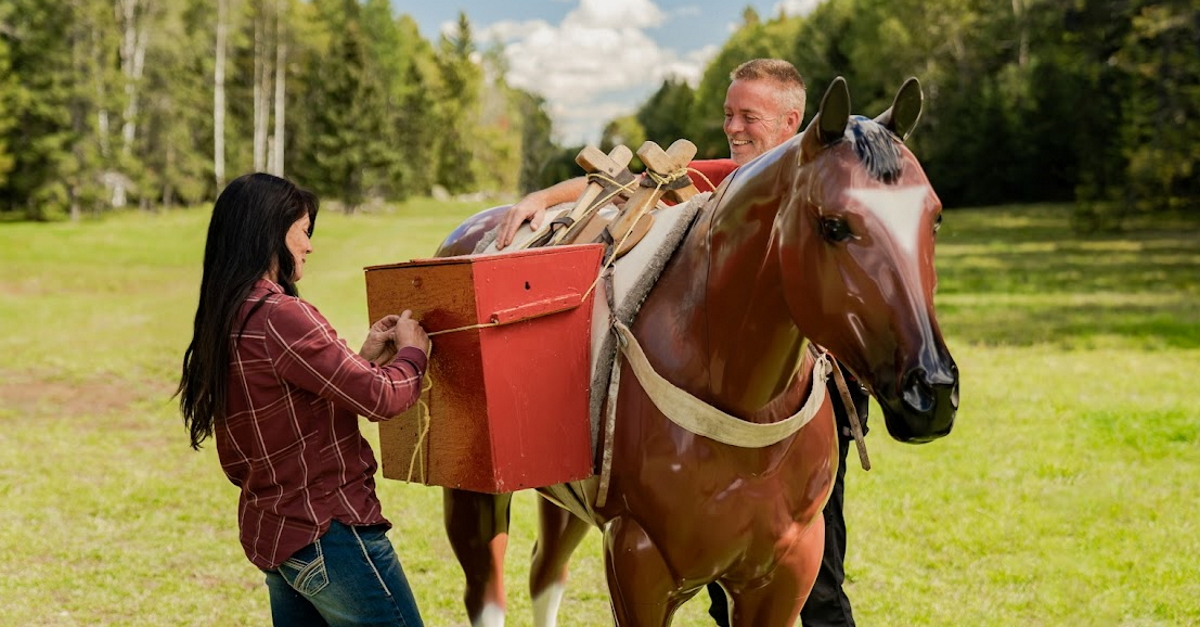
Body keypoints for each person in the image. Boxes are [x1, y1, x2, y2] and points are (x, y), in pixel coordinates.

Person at [497, 58, 870, 627]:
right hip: (723, 414)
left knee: (812, 577)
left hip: (803, 410)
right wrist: (546, 198)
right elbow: (632, 186)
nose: (734, 127)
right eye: (729, 114)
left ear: (792, 119)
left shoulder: (827, 187)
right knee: (728, 570)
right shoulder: (731, 179)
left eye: (749, 115)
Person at [175, 172, 432, 627]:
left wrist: (364, 357)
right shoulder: (281, 315)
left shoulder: (230, 312)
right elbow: (382, 399)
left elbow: (296, 408)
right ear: (271, 232)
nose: (309, 246)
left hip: (280, 538)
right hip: (329, 533)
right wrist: (413, 351)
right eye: (304, 232)